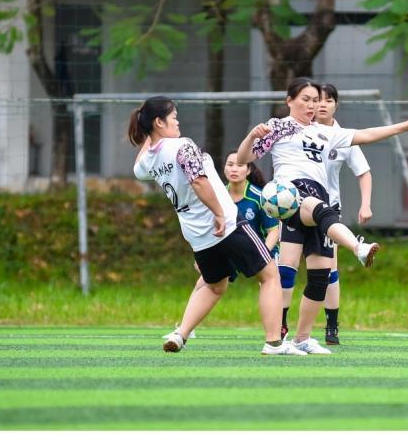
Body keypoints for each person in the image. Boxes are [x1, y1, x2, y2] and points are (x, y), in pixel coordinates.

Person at [237, 77, 408, 354]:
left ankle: (301, 339)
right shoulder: (277, 127)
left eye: (316, 100)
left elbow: (367, 135)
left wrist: (406, 125)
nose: (312, 105)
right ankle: (358, 247)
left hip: (318, 198)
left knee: (320, 275)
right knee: (317, 220)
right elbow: (244, 159)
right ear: (289, 100)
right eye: (306, 99)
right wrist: (252, 136)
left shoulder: (327, 132)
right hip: (291, 194)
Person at [130, 96, 306, 356]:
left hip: (196, 234)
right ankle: (274, 343)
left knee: (215, 285)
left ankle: (180, 334)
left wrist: (148, 134)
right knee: (270, 276)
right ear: (159, 122)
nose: (178, 121)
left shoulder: (149, 161)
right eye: (173, 117)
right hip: (225, 224)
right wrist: (219, 214)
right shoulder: (181, 146)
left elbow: (138, 167)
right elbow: (199, 181)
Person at [277, 83, 373, 345]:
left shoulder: (340, 136)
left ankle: (329, 326)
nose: (320, 105)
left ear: (335, 106)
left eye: (327, 101)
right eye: (315, 100)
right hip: (294, 201)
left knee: (326, 271)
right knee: (287, 267)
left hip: (330, 207)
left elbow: (363, 170)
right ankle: (280, 327)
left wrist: (366, 204)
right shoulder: (291, 130)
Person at [182, 151, 281, 330]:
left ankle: (279, 331)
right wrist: (203, 259)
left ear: (248, 170)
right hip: (229, 247)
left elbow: (273, 232)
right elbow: (206, 230)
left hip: (260, 248)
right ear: (224, 169)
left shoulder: (260, 197)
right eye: (230, 164)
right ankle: (184, 329)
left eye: (240, 165)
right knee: (204, 282)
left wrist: (262, 255)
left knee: (271, 282)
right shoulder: (215, 195)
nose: (234, 169)